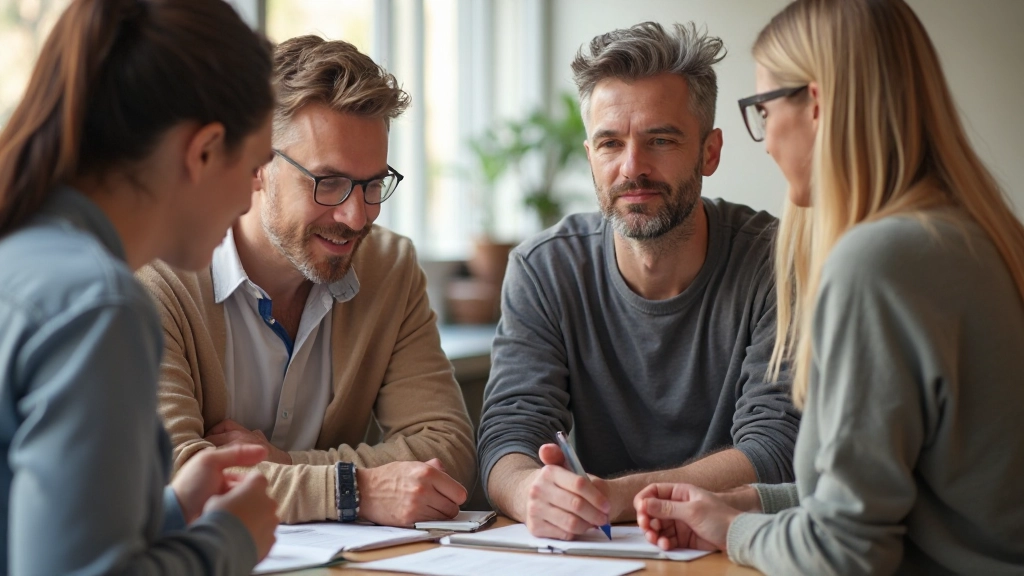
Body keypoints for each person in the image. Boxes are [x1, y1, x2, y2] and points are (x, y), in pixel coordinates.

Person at [633, 1, 1024, 574]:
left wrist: (738, 532)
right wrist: (743, 508)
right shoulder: (971, 234)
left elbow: (848, 549)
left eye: (762, 109)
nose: (764, 143)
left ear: (814, 105)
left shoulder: (879, 262)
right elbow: (903, 497)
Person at [477, 21, 801, 540]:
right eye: (610, 143)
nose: (633, 167)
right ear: (590, 157)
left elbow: (775, 448)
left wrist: (615, 497)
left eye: (661, 140)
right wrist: (530, 493)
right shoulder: (543, 269)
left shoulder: (778, 260)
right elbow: (509, 433)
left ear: (709, 151)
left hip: (735, 549)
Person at [138, 35, 476, 527]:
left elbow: (446, 449)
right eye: (329, 182)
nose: (357, 217)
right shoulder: (158, 273)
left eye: (373, 185)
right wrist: (353, 489)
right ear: (255, 164)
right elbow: (175, 476)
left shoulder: (389, 265)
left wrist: (284, 463)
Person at [0, 0, 281, 573]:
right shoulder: (97, 305)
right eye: (254, 167)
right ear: (202, 151)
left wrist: (172, 511)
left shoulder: (26, 259)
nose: (253, 199)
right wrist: (231, 539)